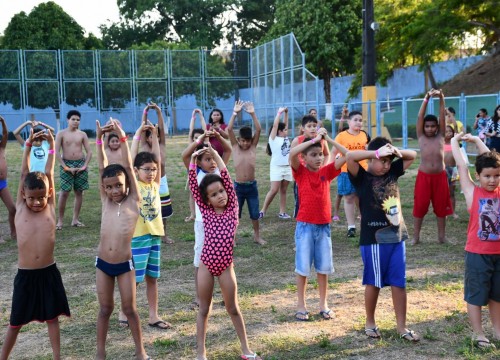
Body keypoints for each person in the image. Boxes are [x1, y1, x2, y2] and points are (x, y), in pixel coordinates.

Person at [0, 129, 70, 360]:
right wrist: (28, 145)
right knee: (15, 322)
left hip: (49, 273)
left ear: (48, 193)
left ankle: (57, 356)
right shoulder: (20, 208)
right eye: (32, 198)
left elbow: (49, 171)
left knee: (52, 318)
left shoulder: (49, 207)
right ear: (23, 195)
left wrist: (51, 145)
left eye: (41, 197)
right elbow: (23, 173)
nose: (37, 202)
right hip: (26, 275)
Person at [188, 145, 261, 360]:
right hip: (206, 266)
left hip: (226, 267)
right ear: (206, 200)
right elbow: (194, 187)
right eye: (213, 194)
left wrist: (218, 156)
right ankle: (201, 353)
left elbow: (227, 178)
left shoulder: (232, 211)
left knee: (233, 308)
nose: (220, 196)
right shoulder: (207, 212)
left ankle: (246, 350)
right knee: (203, 309)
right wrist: (193, 162)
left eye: (221, 191)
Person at [346, 136, 419, 342]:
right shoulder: (361, 176)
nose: (386, 165)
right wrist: (374, 153)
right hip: (374, 240)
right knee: (374, 282)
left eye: (389, 161)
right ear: (371, 159)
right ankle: (370, 322)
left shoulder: (393, 172)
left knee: (399, 283)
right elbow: (350, 156)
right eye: (382, 161)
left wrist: (393, 151)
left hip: (397, 237)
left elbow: (412, 155)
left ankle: (402, 326)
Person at [94, 120, 149, 360]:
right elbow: (100, 167)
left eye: (119, 185)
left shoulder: (133, 200)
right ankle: (100, 352)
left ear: (127, 183)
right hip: (103, 264)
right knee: (105, 309)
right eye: (110, 187)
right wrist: (99, 139)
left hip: (125, 265)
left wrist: (122, 138)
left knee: (130, 310)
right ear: (104, 189)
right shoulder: (105, 202)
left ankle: (140, 351)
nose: (115, 190)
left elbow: (127, 163)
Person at [290, 128, 346, 321]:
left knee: (323, 269)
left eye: (321, 154)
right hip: (305, 226)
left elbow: (347, 154)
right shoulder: (300, 173)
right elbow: (293, 152)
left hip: (323, 227)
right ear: (304, 158)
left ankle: (323, 304)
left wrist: (328, 139)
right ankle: (301, 305)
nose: (319, 158)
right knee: (303, 268)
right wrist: (314, 139)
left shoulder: (327, 172)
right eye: (313, 155)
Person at [451, 132, 500, 349]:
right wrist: (454, 141)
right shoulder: (472, 192)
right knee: (476, 295)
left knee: (497, 295)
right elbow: (462, 166)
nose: (492, 180)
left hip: (498, 254)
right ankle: (479, 333)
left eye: (496, 176)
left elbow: (490, 159)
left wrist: (477, 141)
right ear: (478, 176)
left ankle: (498, 331)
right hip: (477, 253)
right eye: (487, 176)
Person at [123, 121, 171, 330]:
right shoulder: (134, 186)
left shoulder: (156, 184)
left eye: (153, 170)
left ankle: (153, 315)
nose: (151, 173)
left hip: (154, 236)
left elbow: (158, 159)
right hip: (138, 237)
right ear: (136, 170)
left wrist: (154, 134)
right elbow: (128, 161)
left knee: (153, 278)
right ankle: (124, 311)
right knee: (135, 279)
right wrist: (137, 135)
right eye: (147, 169)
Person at [181, 129, 231, 308]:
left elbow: (229, 150)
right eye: (207, 159)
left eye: (213, 159)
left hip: (221, 224)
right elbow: (184, 155)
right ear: (199, 162)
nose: (211, 162)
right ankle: (200, 296)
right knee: (200, 260)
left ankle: (227, 294)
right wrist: (199, 142)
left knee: (223, 260)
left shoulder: (219, 170)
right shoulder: (196, 174)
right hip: (203, 224)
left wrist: (218, 138)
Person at [412, 89, 453, 245]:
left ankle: (442, 237)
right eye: (427, 126)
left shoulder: (441, 136)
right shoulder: (421, 136)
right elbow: (419, 117)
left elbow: (442, 116)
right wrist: (427, 98)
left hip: (440, 177)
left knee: (441, 207)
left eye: (433, 126)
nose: (430, 128)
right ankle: (416, 236)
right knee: (420, 206)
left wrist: (442, 97)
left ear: (437, 127)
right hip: (424, 177)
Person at [227, 100, 266, 245]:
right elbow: (229, 129)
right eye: (243, 141)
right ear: (238, 140)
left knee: (255, 213)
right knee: (235, 214)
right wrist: (235, 113)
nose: (245, 143)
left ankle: (257, 236)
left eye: (248, 141)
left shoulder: (253, 147)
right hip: (238, 187)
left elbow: (259, 129)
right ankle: (233, 238)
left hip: (252, 187)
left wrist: (253, 114)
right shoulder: (235, 147)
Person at [140, 103, 174, 244]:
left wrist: (159, 111)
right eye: (151, 136)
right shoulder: (144, 146)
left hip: (162, 182)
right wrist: (145, 112)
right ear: (147, 138)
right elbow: (143, 127)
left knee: (164, 210)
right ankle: (149, 233)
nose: (155, 138)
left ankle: (164, 234)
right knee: (148, 208)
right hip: (147, 183)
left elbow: (161, 128)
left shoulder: (161, 145)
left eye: (157, 136)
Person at [334, 110, 370, 237]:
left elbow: (367, 152)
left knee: (363, 197)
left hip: (363, 171)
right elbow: (334, 152)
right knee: (349, 197)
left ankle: (366, 223)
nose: (359, 122)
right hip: (345, 171)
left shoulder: (364, 135)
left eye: (360, 120)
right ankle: (351, 227)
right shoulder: (341, 136)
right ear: (348, 121)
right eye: (356, 120)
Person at [54, 110, 92, 230]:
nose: (76, 122)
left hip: (80, 165)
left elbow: (89, 152)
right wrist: (65, 167)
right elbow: (56, 152)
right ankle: (60, 221)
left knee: (79, 192)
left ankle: (75, 219)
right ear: (68, 120)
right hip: (66, 165)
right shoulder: (61, 134)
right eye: (73, 119)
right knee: (64, 192)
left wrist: (84, 165)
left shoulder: (82, 134)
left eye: (78, 119)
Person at [290, 115, 330, 218]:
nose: (313, 128)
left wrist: (323, 168)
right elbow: (291, 155)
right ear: (303, 128)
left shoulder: (321, 140)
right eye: (309, 126)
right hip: (302, 176)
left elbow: (327, 154)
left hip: (317, 175)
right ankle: (301, 220)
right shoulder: (297, 140)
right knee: (301, 201)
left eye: (315, 126)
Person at [259, 107, 291, 219]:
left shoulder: (285, 137)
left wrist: (286, 113)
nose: (287, 131)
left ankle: (282, 212)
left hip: (288, 167)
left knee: (283, 190)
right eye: (285, 130)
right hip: (277, 167)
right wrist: (279, 112)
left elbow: (284, 124)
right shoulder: (273, 139)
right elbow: (276, 125)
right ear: (279, 131)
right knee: (274, 190)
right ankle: (263, 210)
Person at [185, 109, 207, 222]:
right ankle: (193, 214)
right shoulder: (192, 146)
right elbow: (190, 131)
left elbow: (205, 130)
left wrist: (201, 116)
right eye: (195, 138)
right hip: (193, 170)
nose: (197, 139)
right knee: (192, 193)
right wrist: (193, 117)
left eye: (200, 137)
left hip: (204, 171)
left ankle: (204, 212)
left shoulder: (205, 144)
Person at [0, 116, 16, 241]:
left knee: (13, 208)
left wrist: (3, 122)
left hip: (3, 184)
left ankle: (13, 232)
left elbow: (5, 134)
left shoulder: (1, 148)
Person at [332, 106, 349, 222]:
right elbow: (340, 130)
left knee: (356, 193)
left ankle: (360, 214)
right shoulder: (341, 138)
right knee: (340, 193)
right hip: (343, 171)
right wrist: (343, 116)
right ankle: (336, 213)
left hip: (353, 169)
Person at [444, 125, 459, 219]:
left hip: (453, 170)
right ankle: (444, 211)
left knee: (451, 193)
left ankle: (453, 212)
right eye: (446, 131)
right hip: (442, 170)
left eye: (450, 131)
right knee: (443, 193)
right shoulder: (440, 143)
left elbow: (456, 126)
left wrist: (450, 114)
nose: (448, 133)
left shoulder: (455, 143)